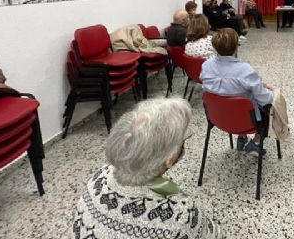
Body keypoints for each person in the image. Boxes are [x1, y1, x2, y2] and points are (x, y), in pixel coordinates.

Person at [73, 97, 220, 239]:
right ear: (169, 159)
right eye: (183, 138)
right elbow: (212, 234)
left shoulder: (97, 178)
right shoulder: (179, 215)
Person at [200, 28, 273, 157]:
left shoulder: (206, 66)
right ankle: (255, 142)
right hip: (247, 120)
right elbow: (265, 99)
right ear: (236, 47)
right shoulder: (246, 70)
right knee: (269, 108)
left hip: (218, 117)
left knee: (236, 100)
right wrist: (273, 92)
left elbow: (208, 88)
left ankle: (241, 138)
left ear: (215, 47)